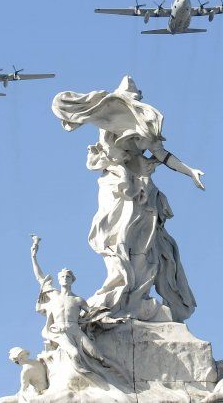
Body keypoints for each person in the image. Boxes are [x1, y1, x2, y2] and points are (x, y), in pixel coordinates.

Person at [51, 76, 202, 322]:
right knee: (113, 237)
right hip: (116, 186)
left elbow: (162, 155)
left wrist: (190, 171)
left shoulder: (144, 127)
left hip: (142, 190)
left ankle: (135, 297)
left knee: (145, 243)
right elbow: (106, 147)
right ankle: (119, 289)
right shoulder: (108, 125)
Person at [30, 235, 113, 374]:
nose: (64, 279)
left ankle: (115, 374)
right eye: (62, 277)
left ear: (72, 280)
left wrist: (111, 318)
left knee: (96, 353)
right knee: (74, 353)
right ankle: (79, 374)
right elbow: (40, 278)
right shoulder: (54, 295)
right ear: (59, 279)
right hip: (59, 331)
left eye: (68, 277)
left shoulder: (78, 300)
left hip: (74, 329)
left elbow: (94, 314)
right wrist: (34, 257)